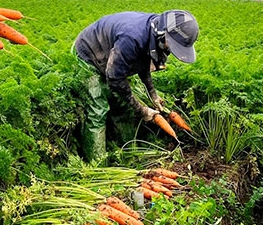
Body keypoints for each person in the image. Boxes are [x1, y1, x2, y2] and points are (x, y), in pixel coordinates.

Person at [73, 10, 199, 161]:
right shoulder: (133, 38)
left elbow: (142, 62)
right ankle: (97, 162)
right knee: (98, 109)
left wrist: (153, 94)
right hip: (90, 52)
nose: (171, 49)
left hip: (115, 56)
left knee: (122, 107)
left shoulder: (155, 33)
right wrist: (142, 111)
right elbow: (114, 77)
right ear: (164, 34)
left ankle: (124, 154)